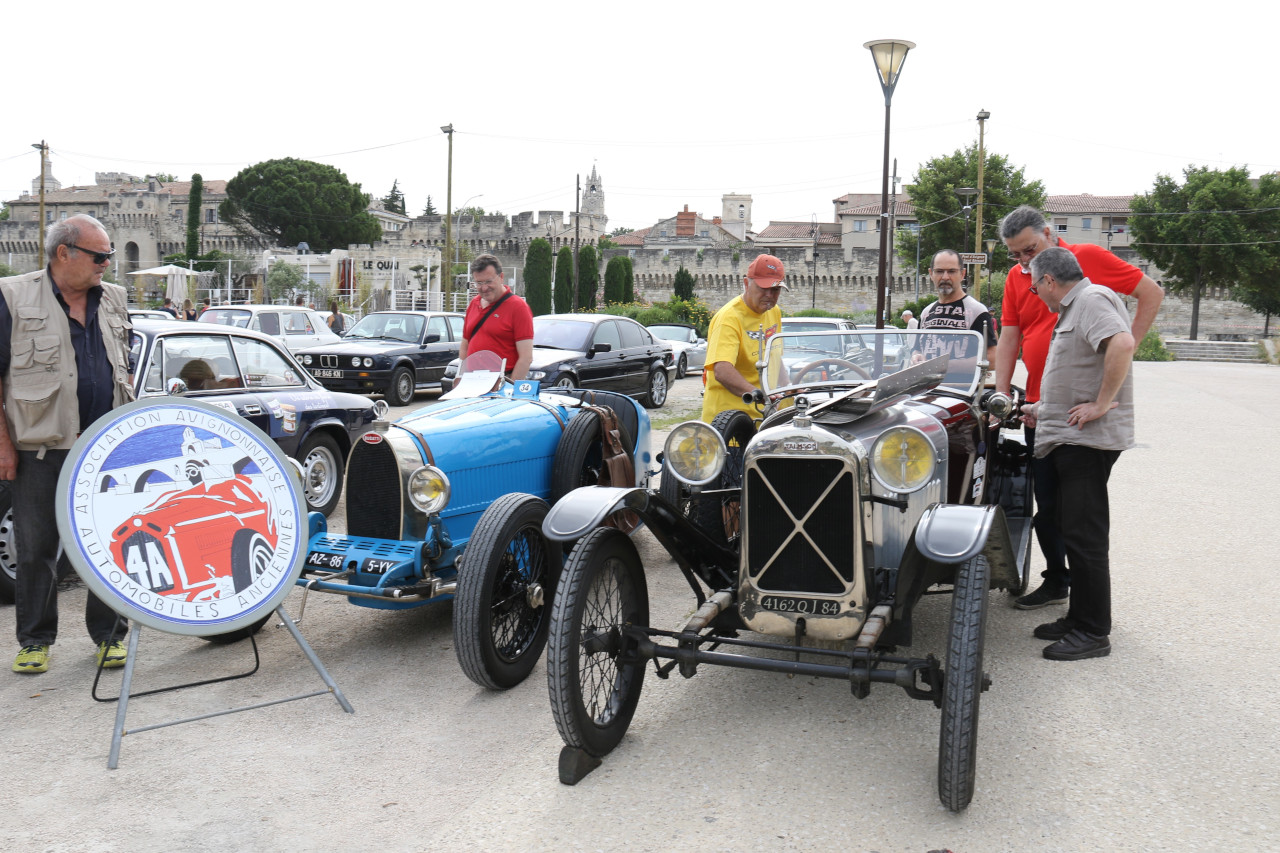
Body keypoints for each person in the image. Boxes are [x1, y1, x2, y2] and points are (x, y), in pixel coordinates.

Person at [995, 205, 1163, 610]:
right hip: (1042, 405)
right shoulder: (1018, 278)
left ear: (1050, 234)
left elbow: (1150, 293)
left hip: (1077, 410)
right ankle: (1058, 580)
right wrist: (1001, 395)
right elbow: (1011, 335)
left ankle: (1087, 615)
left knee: (1079, 516)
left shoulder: (1084, 260)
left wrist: (1120, 357)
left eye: (1030, 250)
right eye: (1015, 254)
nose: (1024, 261)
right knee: (1048, 508)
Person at [0, 215, 135, 674]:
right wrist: (3, 444)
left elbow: (125, 369)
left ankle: (110, 635)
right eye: (100, 256)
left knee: (109, 542)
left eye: (109, 256)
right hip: (40, 448)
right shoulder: (12, 295)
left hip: (107, 448)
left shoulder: (114, 298)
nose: (107, 265)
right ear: (65, 253)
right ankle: (35, 640)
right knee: (36, 547)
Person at [1021, 248, 1135, 660]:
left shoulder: (1090, 299)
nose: (1035, 293)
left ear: (1050, 280)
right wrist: (1038, 410)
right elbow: (1074, 374)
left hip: (1086, 441)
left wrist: (1102, 403)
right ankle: (1078, 616)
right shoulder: (1073, 310)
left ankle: (1093, 631)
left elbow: (1122, 343)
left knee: (1085, 536)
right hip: (1066, 436)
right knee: (1070, 528)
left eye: (1035, 286)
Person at [700, 254, 787, 423]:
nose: (769, 295)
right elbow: (722, 370)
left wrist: (788, 390)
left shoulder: (773, 311)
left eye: (775, 289)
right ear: (747, 284)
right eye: (763, 288)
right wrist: (758, 395)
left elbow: (775, 358)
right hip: (730, 421)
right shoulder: (728, 318)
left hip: (764, 416)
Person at [456, 254, 533, 383]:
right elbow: (465, 345)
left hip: (501, 384)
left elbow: (526, 357)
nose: (484, 288)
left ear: (501, 277)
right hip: (472, 383)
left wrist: (510, 391)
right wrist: (460, 378)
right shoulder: (473, 304)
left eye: (488, 281)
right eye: (479, 283)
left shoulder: (518, 307)